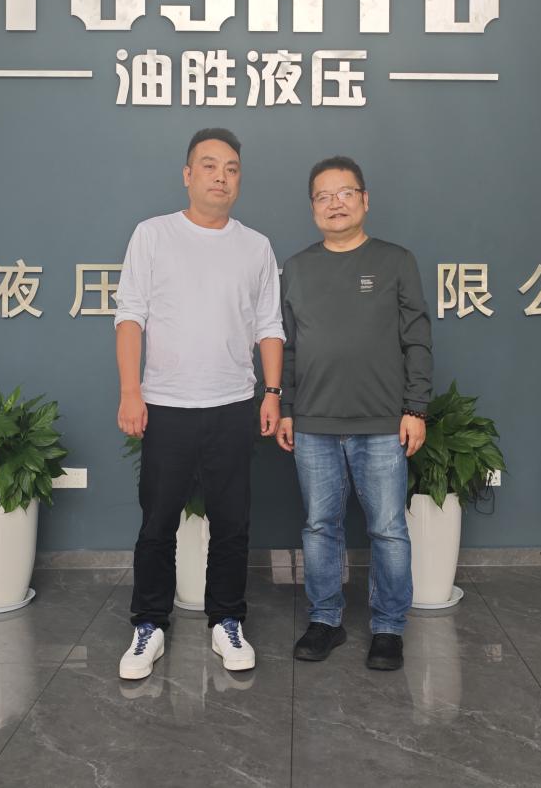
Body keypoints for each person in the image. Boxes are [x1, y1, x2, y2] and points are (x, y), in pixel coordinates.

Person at [114, 128, 285, 680]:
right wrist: (131, 391)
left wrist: (272, 392)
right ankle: (148, 625)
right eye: (209, 166)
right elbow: (130, 316)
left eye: (231, 168)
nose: (221, 177)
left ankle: (227, 621)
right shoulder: (153, 235)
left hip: (233, 404)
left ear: (240, 179)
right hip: (166, 405)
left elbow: (269, 325)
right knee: (157, 522)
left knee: (232, 524)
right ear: (188, 175)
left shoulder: (256, 247)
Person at [277, 156, 433, 670]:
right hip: (314, 423)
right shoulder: (297, 268)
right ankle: (325, 619)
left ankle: (389, 627)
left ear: (365, 200)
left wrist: (415, 408)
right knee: (320, 527)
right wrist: (286, 408)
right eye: (323, 196)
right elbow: (288, 347)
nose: (335, 204)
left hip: (383, 423)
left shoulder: (396, 261)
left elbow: (417, 339)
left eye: (345, 193)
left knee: (387, 529)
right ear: (312, 208)